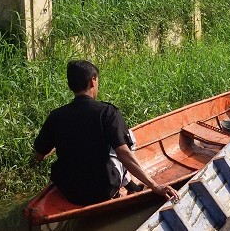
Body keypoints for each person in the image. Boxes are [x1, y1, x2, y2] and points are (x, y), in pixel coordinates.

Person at [32, 60, 178, 205]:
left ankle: (130, 185)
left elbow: (39, 156)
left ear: (70, 85)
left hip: (69, 190)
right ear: (92, 81)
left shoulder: (56, 116)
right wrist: (155, 186)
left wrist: (64, 140)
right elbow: (123, 154)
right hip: (103, 189)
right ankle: (130, 185)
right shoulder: (108, 112)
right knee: (128, 137)